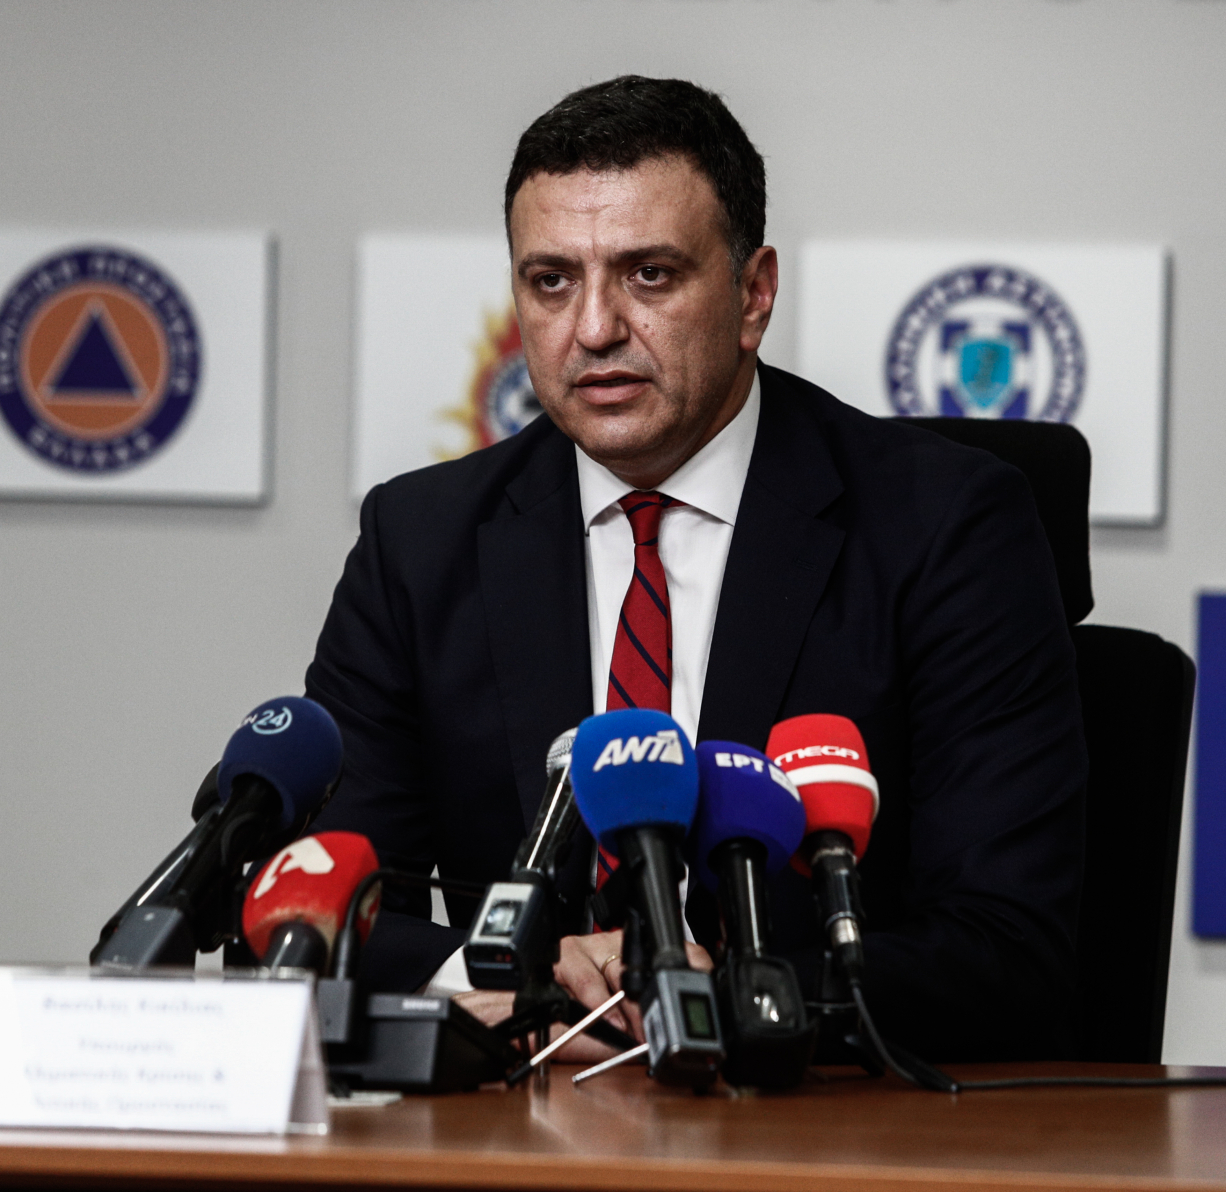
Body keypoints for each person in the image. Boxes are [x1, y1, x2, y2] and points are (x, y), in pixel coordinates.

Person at [304, 76, 1087, 1062]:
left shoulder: (944, 529)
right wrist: (511, 978)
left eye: (649, 275)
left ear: (753, 293)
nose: (594, 328)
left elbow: (1005, 945)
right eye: (551, 281)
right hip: (516, 1115)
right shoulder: (421, 542)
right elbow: (317, 905)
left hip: (812, 1120)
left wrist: (723, 995)